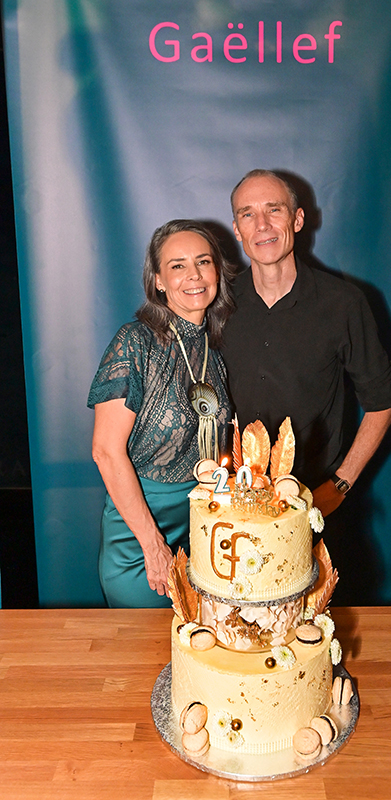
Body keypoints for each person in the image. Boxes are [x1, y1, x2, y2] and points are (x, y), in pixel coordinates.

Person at [222, 169, 391, 520]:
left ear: (298, 219)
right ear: (237, 229)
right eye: (248, 214)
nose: (262, 225)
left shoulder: (343, 303)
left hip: (312, 504)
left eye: (274, 210)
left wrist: (339, 485)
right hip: (234, 503)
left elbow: (383, 404)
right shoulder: (219, 304)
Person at [88, 220, 234, 608]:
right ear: (158, 281)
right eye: (178, 265)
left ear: (217, 271)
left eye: (203, 261)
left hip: (201, 535)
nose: (194, 275)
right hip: (141, 541)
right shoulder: (135, 343)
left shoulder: (216, 351)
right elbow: (105, 451)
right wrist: (153, 545)